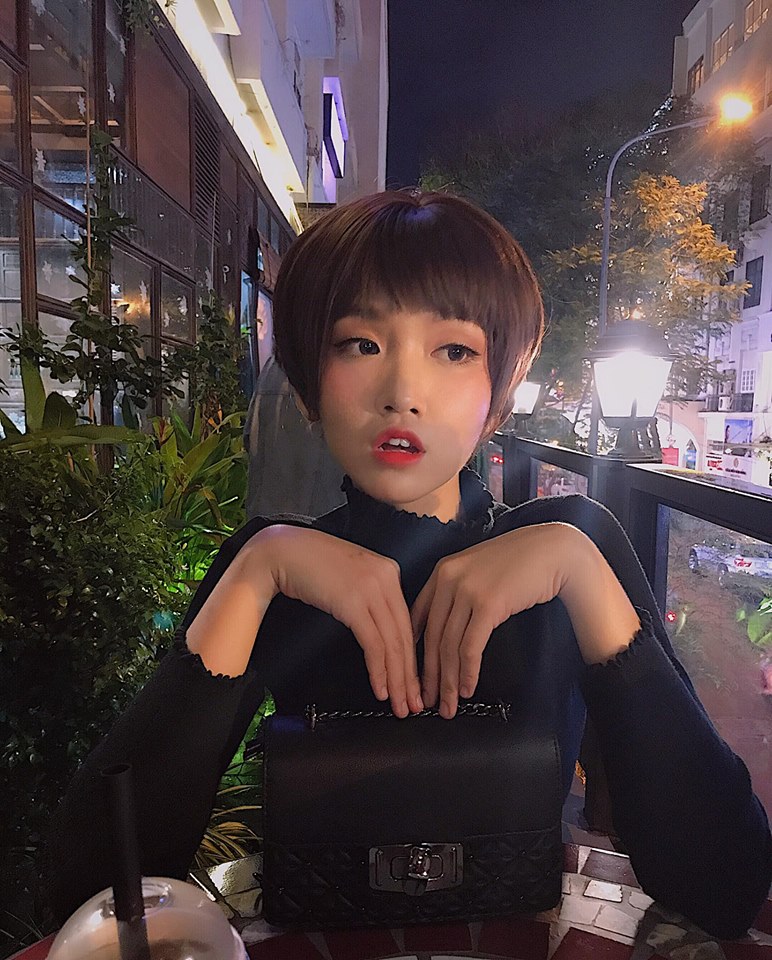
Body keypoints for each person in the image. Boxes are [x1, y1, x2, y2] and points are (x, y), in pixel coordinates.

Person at [46, 191, 771, 938]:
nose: (402, 394)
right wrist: (256, 574)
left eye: (454, 351)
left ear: (498, 398)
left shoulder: (570, 545)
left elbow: (726, 885)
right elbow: (88, 895)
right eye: (360, 344)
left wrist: (583, 575)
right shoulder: (277, 565)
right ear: (308, 387)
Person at [243, 352, 345, 520]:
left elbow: (250, 439)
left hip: (268, 522)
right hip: (327, 522)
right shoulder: (344, 369)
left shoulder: (275, 367)